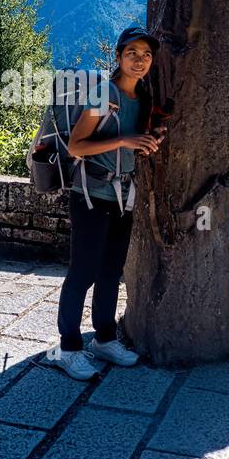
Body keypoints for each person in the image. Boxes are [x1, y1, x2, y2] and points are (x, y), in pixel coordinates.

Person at [50, 26, 165, 380]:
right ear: (118, 57)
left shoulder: (143, 97)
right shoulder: (105, 93)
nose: (140, 61)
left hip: (122, 197)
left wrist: (147, 141)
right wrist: (125, 140)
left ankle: (103, 338)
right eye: (132, 53)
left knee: (111, 273)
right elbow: (77, 147)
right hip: (90, 195)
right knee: (82, 272)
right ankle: (67, 348)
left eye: (146, 55)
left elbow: (131, 143)